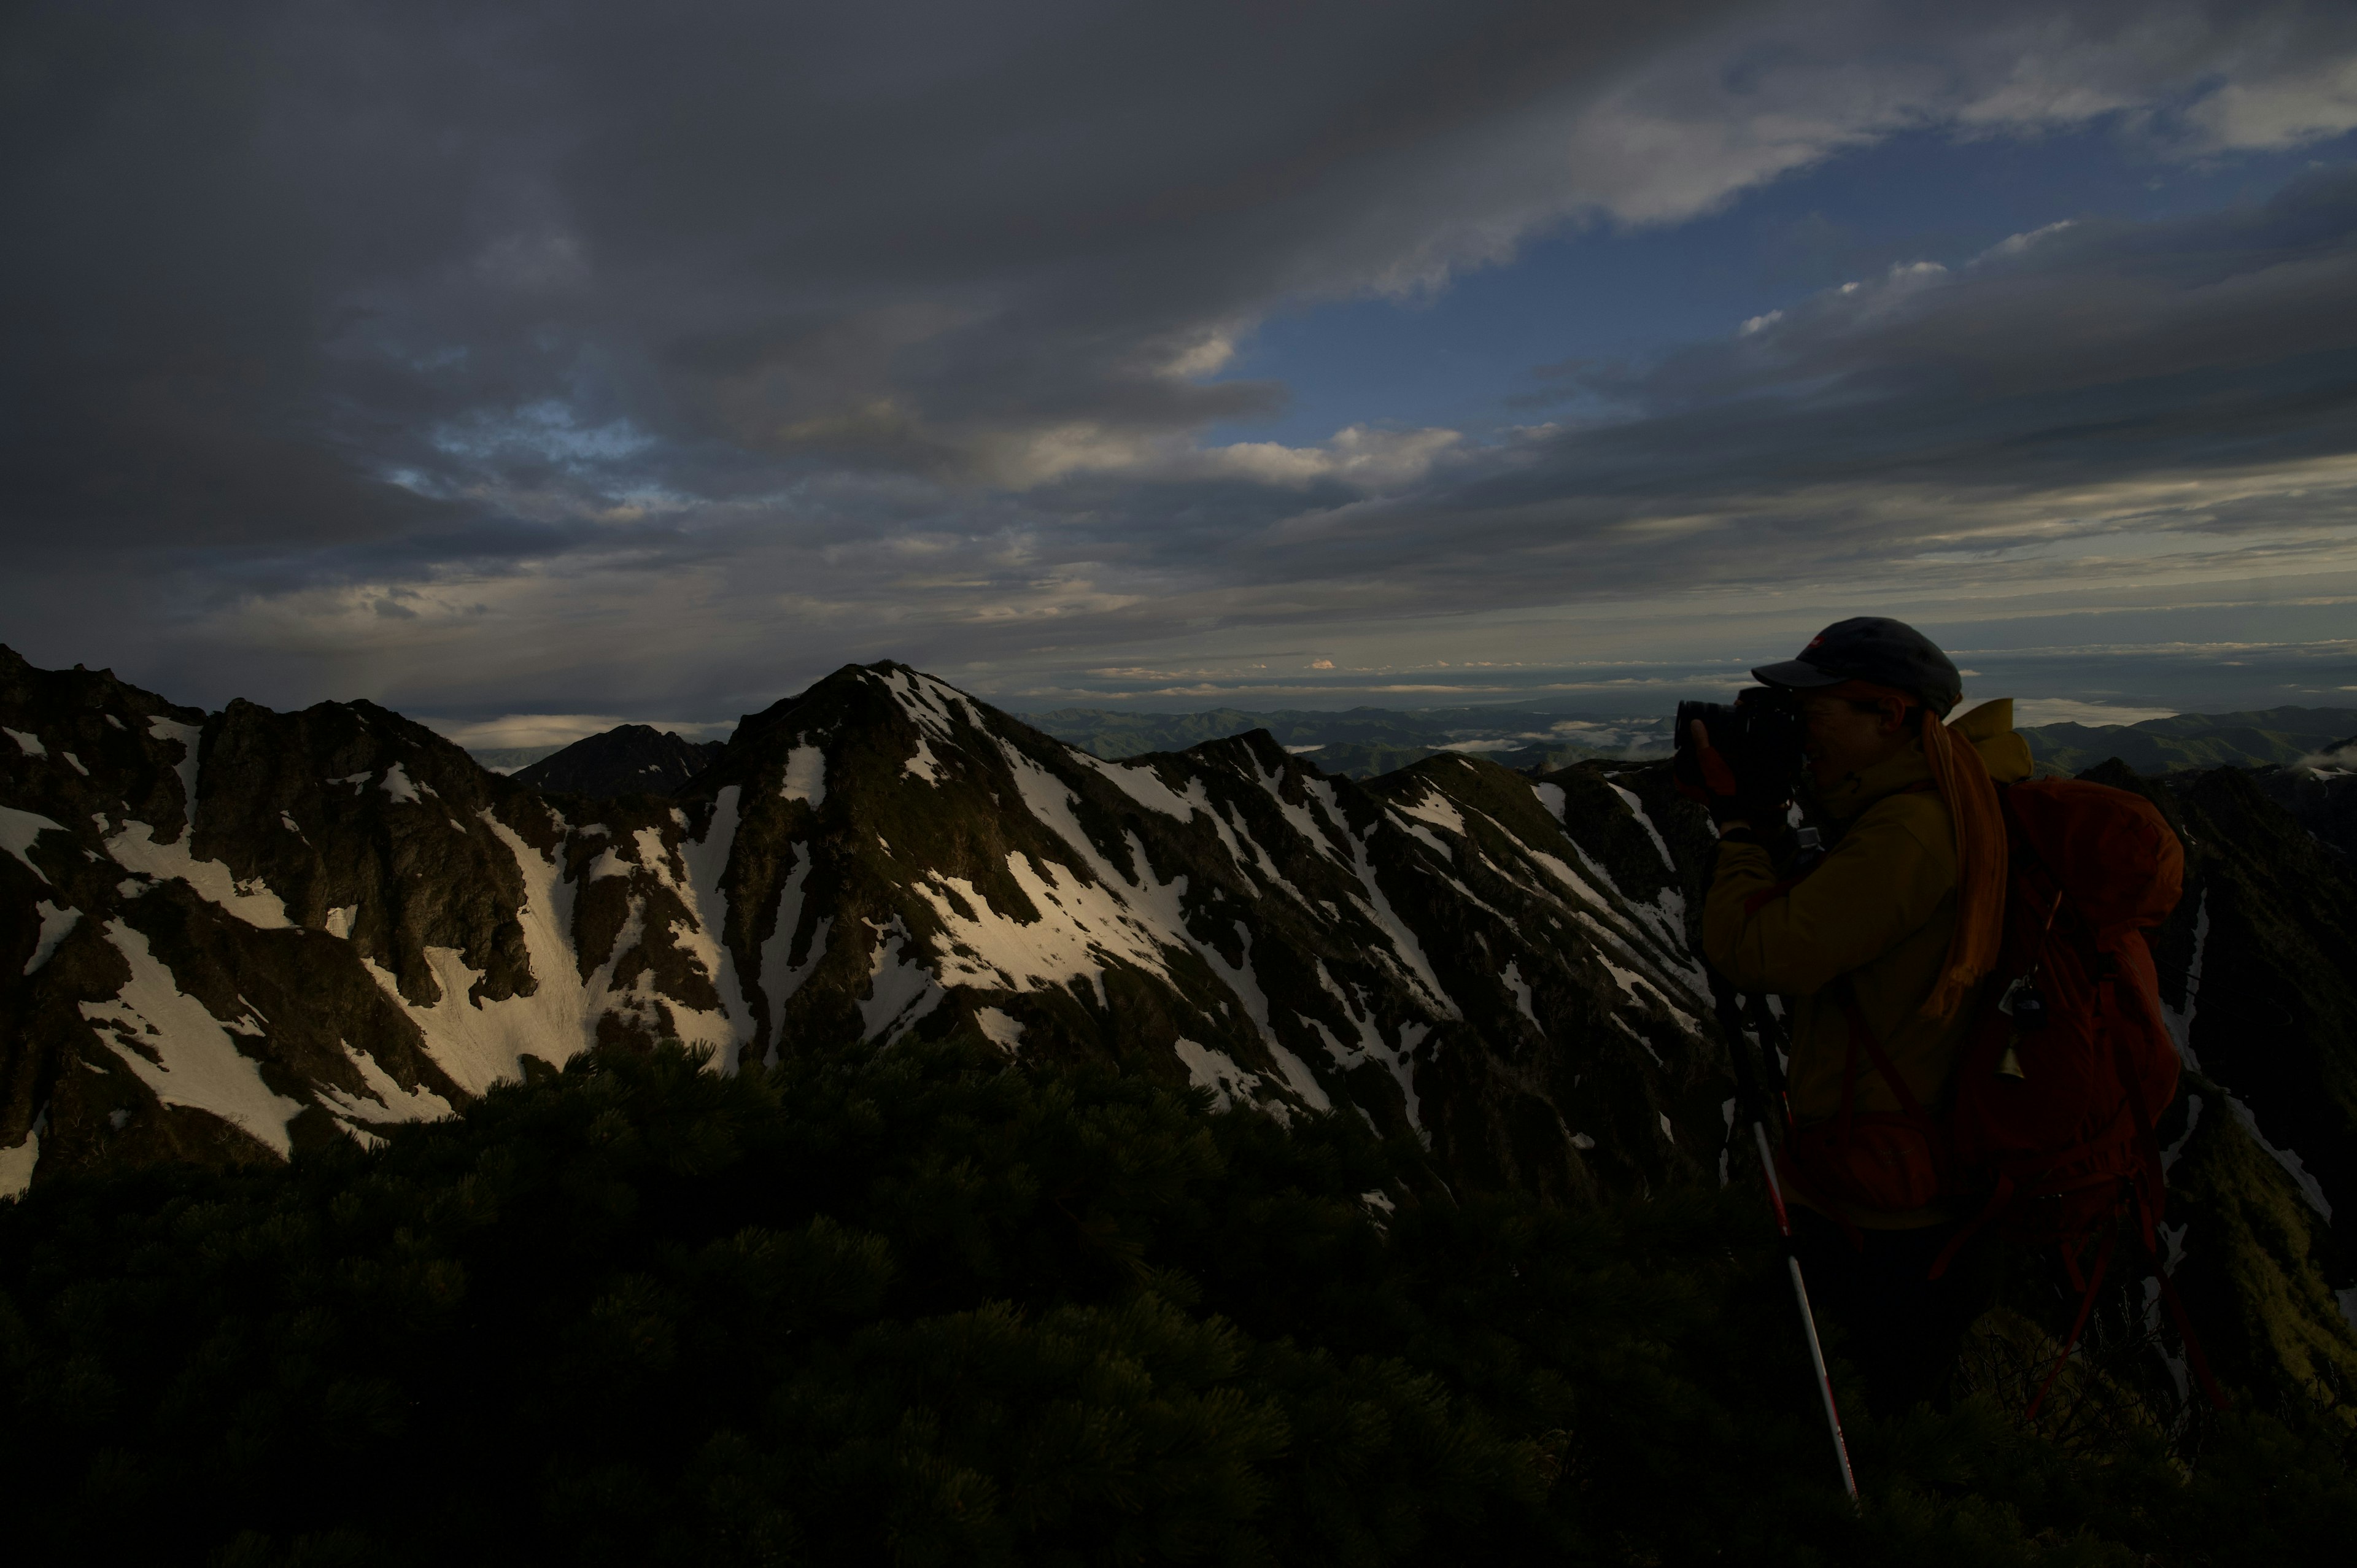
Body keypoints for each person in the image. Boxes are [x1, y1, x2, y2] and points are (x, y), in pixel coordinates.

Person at [1691, 617, 2033, 1418]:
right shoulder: (1935, 801)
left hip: (1888, 1216)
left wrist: (1742, 827)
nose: (1802, 732)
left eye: (1817, 712)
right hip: (1896, 1186)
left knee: (1854, 1430)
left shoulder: (1910, 831)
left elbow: (1758, 953)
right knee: (1876, 1416)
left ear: (1891, 715)